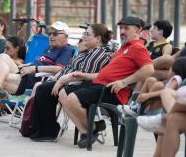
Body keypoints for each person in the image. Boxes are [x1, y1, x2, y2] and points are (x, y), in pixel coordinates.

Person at [58, 16, 154, 148]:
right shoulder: (123, 48)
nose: (122, 31)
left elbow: (149, 69)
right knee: (63, 94)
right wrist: (84, 75)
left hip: (111, 90)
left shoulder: (137, 47)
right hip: (98, 85)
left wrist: (124, 82)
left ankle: (91, 130)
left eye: (126, 28)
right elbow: (105, 73)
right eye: (121, 28)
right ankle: (88, 130)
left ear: (138, 31)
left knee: (72, 100)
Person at [0, 21, 75, 129]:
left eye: (55, 34)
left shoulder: (67, 49)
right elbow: (40, 62)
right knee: (3, 57)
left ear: (65, 36)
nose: (51, 36)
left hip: (37, 79)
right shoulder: (49, 49)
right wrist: (27, 65)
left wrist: (34, 68)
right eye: (50, 33)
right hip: (26, 73)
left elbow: (59, 69)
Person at [30, 24, 113, 141]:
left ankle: (48, 131)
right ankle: (40, 129)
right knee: (43, 87)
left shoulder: (98, 53)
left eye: (87, 34)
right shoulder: (89, 52)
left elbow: (82, 75)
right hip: (69, 81)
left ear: (98, 39)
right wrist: (56, 78)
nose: (83, 36)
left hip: (77, 85)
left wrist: (60, 81)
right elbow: (68, 68)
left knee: (43, 89)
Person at [118, 57, 186, 116]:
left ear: (175, 69)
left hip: (161, 106)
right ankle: (135, 105)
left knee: (158, 85)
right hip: (159, 102)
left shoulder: (177, 78)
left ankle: (136, 107)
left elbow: (167, 91)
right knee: (151, 80)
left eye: (170, 68)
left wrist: (147, 95)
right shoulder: (176, 79)